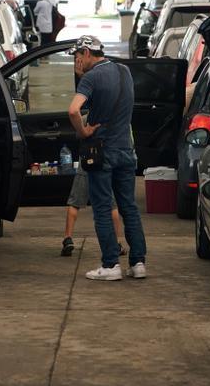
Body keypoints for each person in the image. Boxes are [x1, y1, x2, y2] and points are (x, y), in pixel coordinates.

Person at [68, 35, 146, 281]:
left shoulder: (91, 78)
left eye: (78, 56)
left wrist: (83, 131)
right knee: (129, 208)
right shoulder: (124, 71)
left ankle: (111, 264)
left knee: (102, 208)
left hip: (101, 152)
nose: (77, 61)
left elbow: (72, 110)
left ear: (88, 53)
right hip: (126, 150)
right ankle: (138, 263)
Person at [62, 168, 126, 257]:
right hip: (105, 166)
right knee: (111, 205)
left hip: (85, 165)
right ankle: (116, 243)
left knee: (74, 203)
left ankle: (67, 239)